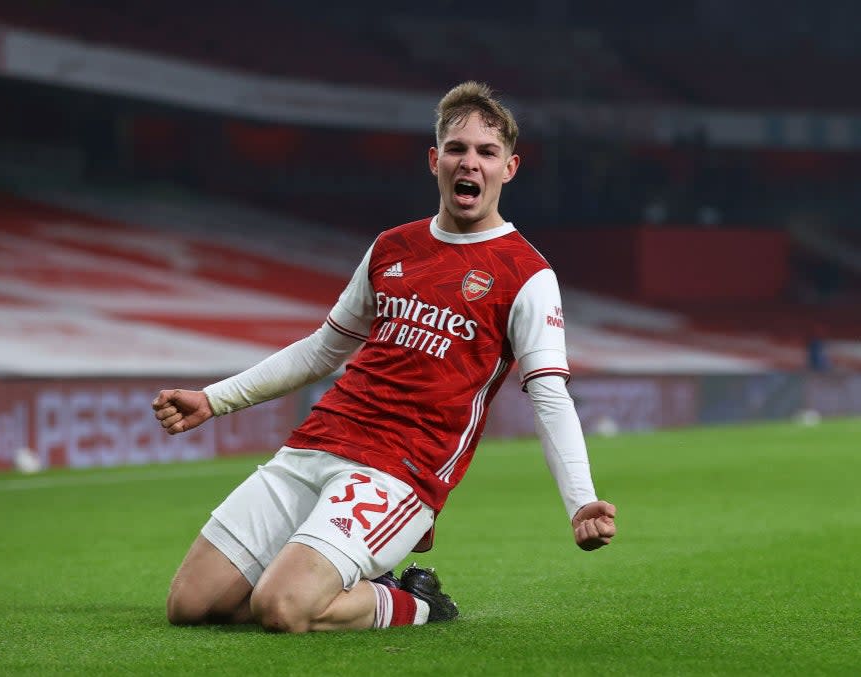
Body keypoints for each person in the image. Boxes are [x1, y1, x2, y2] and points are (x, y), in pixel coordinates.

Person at [153, 81, 617, 633]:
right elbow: (324, 348)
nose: (470, 162)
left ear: (509, 168)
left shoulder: (528, 274)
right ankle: (321, 575)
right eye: (457, 148)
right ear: (435, 159)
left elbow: (548, 394)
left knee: (281, 608)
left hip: (400, 471)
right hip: (318, 442)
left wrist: (580, 502)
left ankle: (413, 602)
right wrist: (214, 399)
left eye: (487, 152)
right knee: (190, 606)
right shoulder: (392, 247)